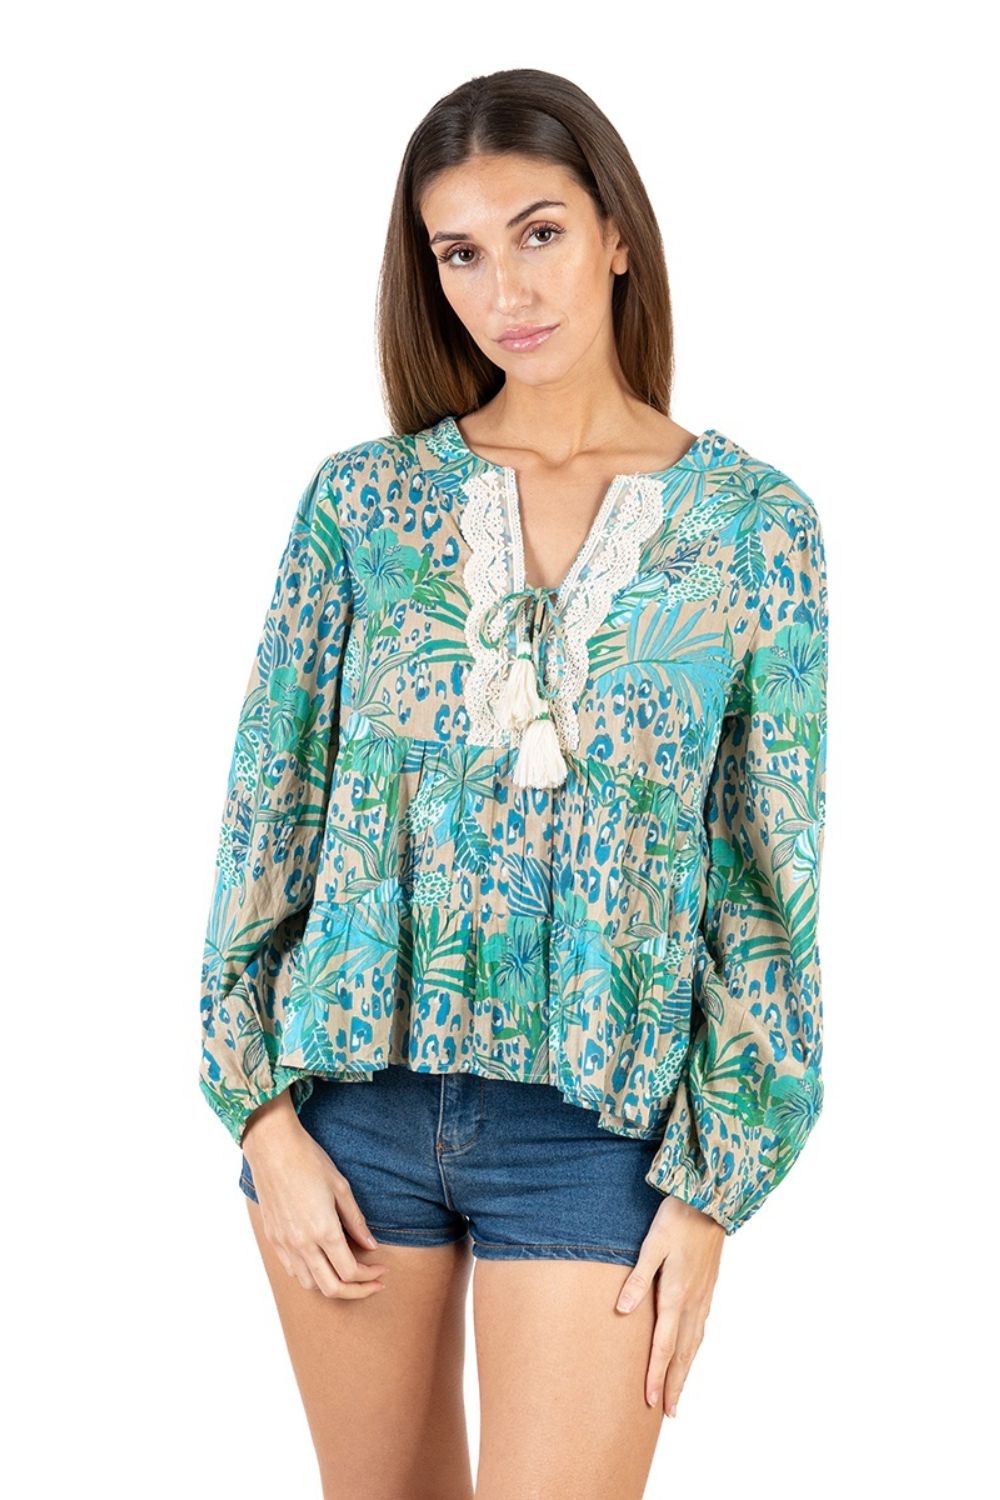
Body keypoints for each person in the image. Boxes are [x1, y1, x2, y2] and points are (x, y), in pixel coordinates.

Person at [198, 67, 829, 1500]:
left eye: (538, 233)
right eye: (461, 253)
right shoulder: (361, 506)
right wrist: (262, 1120)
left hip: (600, 1133)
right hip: (349, 1114)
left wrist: (715, 1187)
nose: (507, 290)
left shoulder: (757, 528)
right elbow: (267, 817)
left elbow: (766, 885)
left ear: (617, 235)